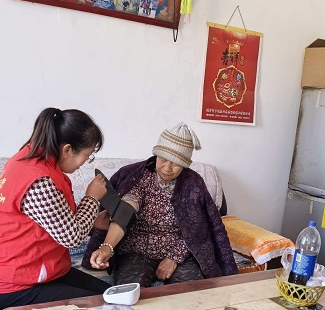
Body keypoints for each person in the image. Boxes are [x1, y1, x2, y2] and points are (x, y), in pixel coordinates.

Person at [0, 108, 116, 309]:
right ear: (67, 150)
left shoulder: (30, 158)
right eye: (87, 156)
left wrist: (92, 222)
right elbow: (71, 237)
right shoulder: (38, 180)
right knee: (105, 306)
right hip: (15, 285)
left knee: (112, 295)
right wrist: (92, 198)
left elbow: (50, 221)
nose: (85, 163)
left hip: (40, 273)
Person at [83, 122, 237, 286]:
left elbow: (198, 229)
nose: (167, 168)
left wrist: (174, 258)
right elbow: (125, 212)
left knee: (191, 291)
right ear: (156, 154)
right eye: (163, 159)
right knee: (131, 291)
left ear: (185, 164)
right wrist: (107, 247)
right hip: (135, 252)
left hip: (178, 252)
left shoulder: (193, 184)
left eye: (176, 163)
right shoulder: (137, 176)